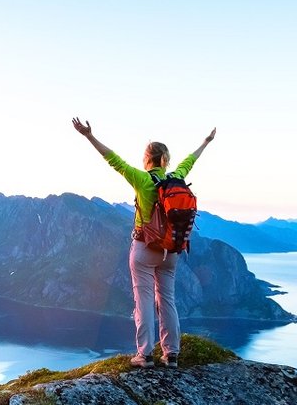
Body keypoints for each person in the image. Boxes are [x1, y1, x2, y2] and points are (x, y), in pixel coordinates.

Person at [72, 117, 215, 367]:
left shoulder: (141, 179)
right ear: (166, 160)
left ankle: (145, 354)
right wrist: (206, 142)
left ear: (147, 159)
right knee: (167, 300)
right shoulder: (176, 177)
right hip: (171, 251)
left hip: (144, 248)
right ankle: (171, 354)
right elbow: (190, 161)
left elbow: (113, 159)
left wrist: (89, 136)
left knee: (144, 301)